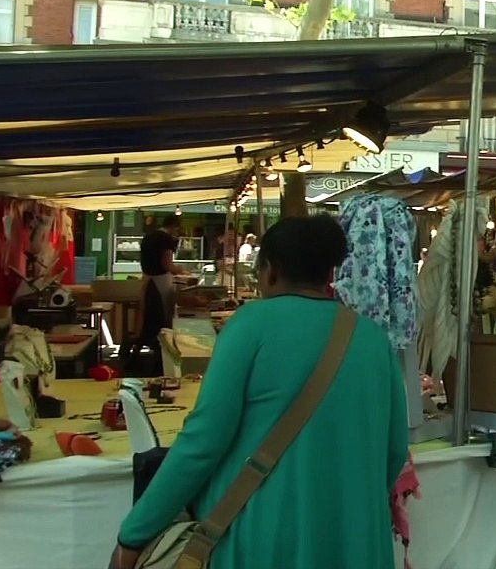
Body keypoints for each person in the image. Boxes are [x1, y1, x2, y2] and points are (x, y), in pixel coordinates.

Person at [108, 215, 408, 569]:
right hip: (357, 545)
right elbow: (394, 451)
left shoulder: (250, 325)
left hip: (263, 538)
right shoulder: (372, 338)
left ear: (270, 270)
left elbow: (202, 443)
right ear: (329, 273)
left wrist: (134, 534)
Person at [124, 216, 187, 376]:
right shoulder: (166, 239)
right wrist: (180, 270)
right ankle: (161, 360)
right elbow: (167, 264)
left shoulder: (148, 237)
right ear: (174, 226)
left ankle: (140, 350)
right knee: (162, 321)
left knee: (146, 318)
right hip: (161, 283)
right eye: (178, 229)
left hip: (147, 280)